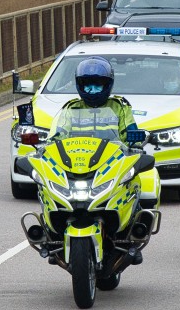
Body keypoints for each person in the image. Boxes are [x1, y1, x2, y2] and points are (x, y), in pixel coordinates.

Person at [48, 56, 148, 263]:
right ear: (79, 85)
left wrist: (135, 140)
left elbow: (130, 132)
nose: (92, 90)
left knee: (134, 185)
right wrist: (46, 149)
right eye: (88, 85)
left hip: (109, 162)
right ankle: (52, 237)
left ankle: (133, 239)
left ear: (108, 84)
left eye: (98, 84)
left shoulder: (119, 106)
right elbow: (58, 136)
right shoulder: (71, 108)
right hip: (77, 163)